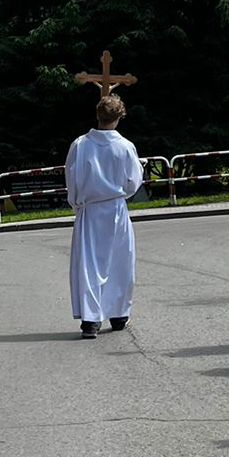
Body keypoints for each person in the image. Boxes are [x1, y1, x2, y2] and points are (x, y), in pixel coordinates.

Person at [64, 93, 145, 338]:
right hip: (116, 208)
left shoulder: (80, 145)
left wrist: (77, 203)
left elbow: (72, 178)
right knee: (120, 262)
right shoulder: (125, 146)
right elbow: (133, 181)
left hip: (90, 210)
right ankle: (119, 314)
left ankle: (91, 320)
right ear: (119, 117)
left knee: (89, 265)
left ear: (98, 116)